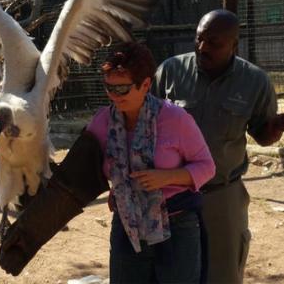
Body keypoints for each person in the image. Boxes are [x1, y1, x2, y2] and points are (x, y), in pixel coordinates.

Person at [151, 9, 284, 284]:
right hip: (169, 195)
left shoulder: (255, 81)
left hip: (221, 196)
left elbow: (262, 134)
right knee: (168, 271)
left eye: (214, 43)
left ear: (234, 45)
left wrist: (280, 126)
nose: (203, 48)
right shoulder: (170, 71)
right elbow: (146, 125)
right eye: (199, 39)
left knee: (222, 273)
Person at [86, 41, 215, 284]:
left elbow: (207, 167)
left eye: (122, 89)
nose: (114, 96)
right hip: (127, 226)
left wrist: (166, 177)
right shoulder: (102, 122)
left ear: (145, 84)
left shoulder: (175, 119)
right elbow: (82, 168)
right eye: (109, 88)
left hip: (177, 225)